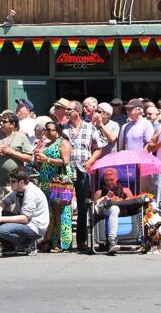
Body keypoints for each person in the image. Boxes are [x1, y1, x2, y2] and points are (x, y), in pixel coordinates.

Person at [64, 100, 101, 252]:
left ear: (77, 112)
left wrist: (90, 161)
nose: (66, 112)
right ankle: (63, 242)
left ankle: (81, 241)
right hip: (66, 170)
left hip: (83, 170)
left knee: (82, 206)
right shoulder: (63, 129)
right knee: (64, 205)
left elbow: (97, 148)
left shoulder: (90, 127)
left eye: (69, 109)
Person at [0, 167, 49, 257]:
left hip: (35, 227)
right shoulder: (17, 190)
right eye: (10, 181)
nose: (11, 184)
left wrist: (1, 219)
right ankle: (9, 248)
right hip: (26, 222)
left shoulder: (31, 193)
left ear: (21, 182)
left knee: (3, 230)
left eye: (13, 181)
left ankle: (29, 243)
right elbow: (4, 202)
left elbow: (25, 218)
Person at [35, 120, 73, 252]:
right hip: (46, 182)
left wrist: (47, 159)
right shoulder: (46, 144)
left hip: (59, 182)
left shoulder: (63, 142)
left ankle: (61, 243)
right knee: (50, 213)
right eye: (45, 129)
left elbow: (65, 161)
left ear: (57, 131)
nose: (46, 132)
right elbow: (41, 164)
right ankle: (49, 240)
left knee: (59, 212)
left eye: (49, 129)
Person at [0, 113, 33, 206]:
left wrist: (11, 152)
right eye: (0, 121)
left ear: (13, 124)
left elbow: (29, 158)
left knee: (12, 213)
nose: (1, 123)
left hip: (15, 185)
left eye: (4, 121)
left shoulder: (21, 137)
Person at [93, 167, 134, 255]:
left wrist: (122, 202)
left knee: (116, 208)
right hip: (106, 213)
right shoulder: (99, 193)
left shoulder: (126, 191)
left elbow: (133, 205)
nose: (109, 182)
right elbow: (93, 207)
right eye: (107, 180)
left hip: (123, 214)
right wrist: (104, 198)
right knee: (114, 208)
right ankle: (112, 241)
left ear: (117, 177)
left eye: (111, 179)